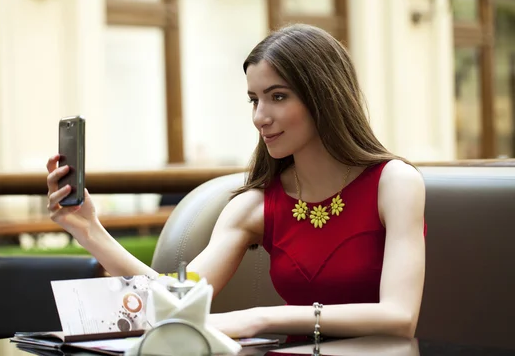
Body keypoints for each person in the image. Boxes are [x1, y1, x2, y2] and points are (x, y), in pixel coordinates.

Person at [46, 24, 426, 341]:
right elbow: (176, 299)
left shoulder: (394, 183)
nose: (260, 116)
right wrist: (89, 230)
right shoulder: (255, 205)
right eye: (253, 100)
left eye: (277, 96)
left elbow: (399, 315)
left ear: (323, 97)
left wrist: (260, 318)